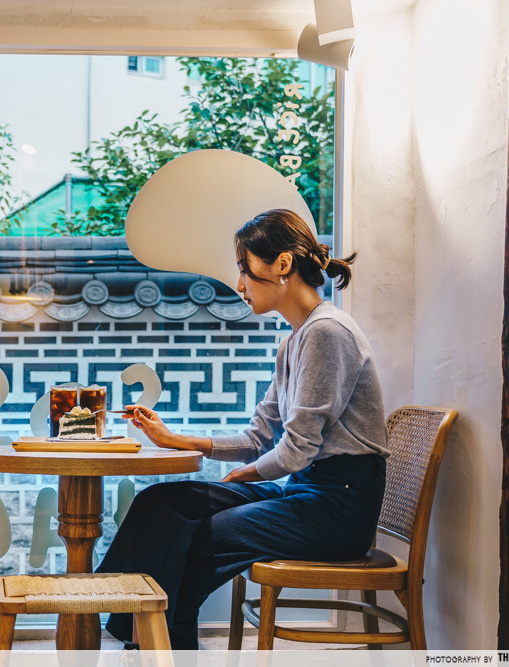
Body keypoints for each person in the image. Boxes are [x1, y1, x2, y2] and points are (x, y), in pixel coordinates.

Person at [95, 208, 390, 649]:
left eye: (244, 269)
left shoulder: (327, 333)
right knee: (163, 503)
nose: (239, 285)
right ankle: (133, 627)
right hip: (305, 491)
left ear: (283, 265)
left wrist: (246, 474)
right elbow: (258, 438)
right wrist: (176, 439)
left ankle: (154, 648)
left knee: (198, 536)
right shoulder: (294, 340)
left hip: (337, 509)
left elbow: (295, 451)